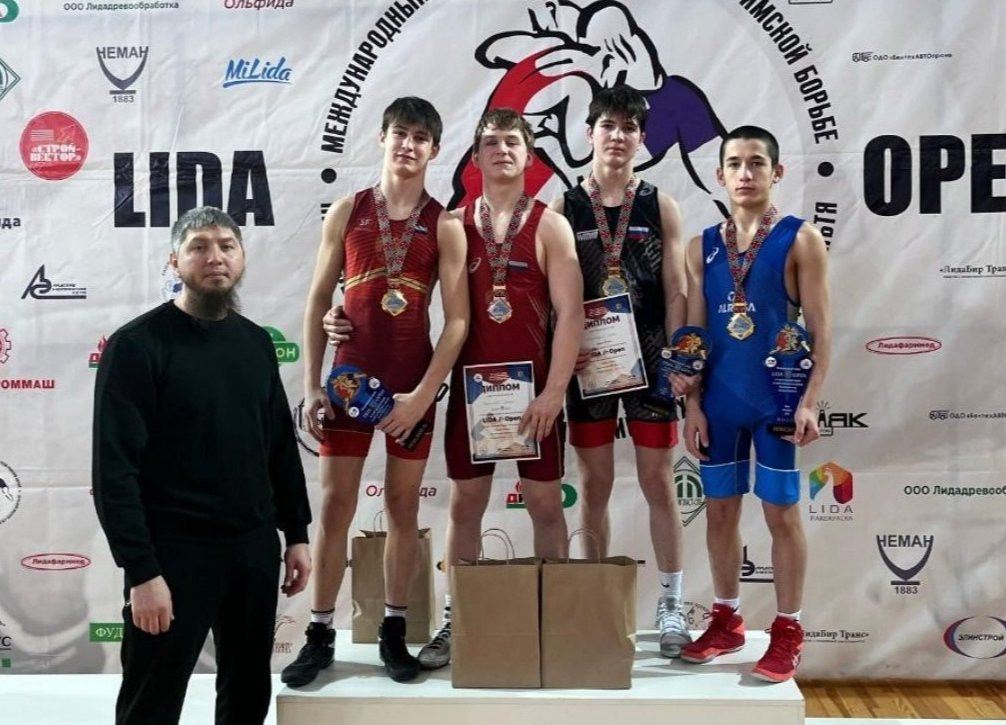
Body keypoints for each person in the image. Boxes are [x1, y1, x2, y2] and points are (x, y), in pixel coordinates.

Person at [326, 108, 583, 670]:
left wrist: (554, 392)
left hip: (533, 396)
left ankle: (558, 623)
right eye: (490, 142)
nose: (501, 151)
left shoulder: (550, 224)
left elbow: (572, 314)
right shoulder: (454, 223)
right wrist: (337, 315)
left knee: (545, 503)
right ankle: (456, 620)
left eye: (512, 142)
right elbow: (409, 298)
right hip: (472, 395)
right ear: (475, 157)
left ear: (530, 155)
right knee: (465, 505)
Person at [92, 206, 312, 724]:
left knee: (247, 696)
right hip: (173, 555)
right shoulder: (137, 346)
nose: (215, 257)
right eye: (199, 247)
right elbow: (114, 472)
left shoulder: (256, 342)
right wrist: (142, 572)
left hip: (252, 549)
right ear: (175, 261)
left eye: (226, 246)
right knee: (151, 702)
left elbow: (279, 445)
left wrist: (297, 532)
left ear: (242, 257)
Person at [285, 97, 468, 686]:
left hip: (411, 387)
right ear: (382, 139)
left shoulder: (445, 224)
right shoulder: (348, 210)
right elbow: (319, 300)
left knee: (402, 507)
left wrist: (424, 395)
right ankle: (318, 634)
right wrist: (312, 385)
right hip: (347, 382)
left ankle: (393, 629)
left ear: (435, 149)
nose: (408, 145)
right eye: (399, 134)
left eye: (420, 137)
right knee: (335, 504)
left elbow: (458, 321)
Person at [677, 126, 831, 682]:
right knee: (720, 511)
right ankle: (726, 620)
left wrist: (810, 401)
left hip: (777, 406)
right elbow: (694, 334)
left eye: (757, 163)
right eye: (735, 164)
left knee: (780, 513)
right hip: (719, 402)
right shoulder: (700, 246)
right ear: (719, 175)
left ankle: (788, 629)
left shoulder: (799, 239)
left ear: (776, 172)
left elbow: (822, 329)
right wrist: (692, 407)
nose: (745, 173)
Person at [550, 84, 691, 658]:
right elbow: (554, 297)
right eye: (607, 125)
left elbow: (677, 288)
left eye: (628, 127)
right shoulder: (564, 206)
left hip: (651, 358)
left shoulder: (660, 204)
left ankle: (673, 603)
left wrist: (678, 356)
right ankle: (595, 598)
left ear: (641, 138)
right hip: (589, 363)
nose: (617, 136)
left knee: (659, 481)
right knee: (595, 484)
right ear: (589, 134)